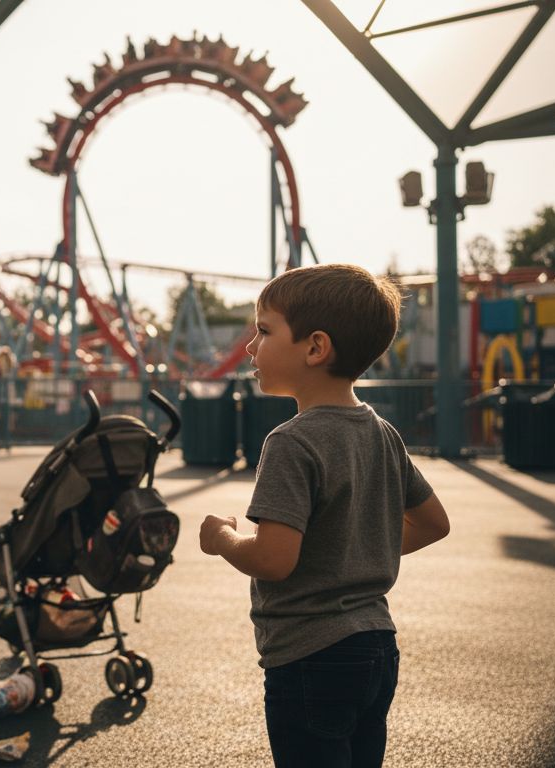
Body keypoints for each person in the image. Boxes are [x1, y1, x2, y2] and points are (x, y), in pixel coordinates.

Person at [197, 263, 451, 768]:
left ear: (315, 348)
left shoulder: (291, 441)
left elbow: (272, 560)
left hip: (310, 656)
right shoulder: (382, 433)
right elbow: (433, 523)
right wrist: (352, 546)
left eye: (264, 331)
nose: (250, 347)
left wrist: (222, 538)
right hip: (377, 646)